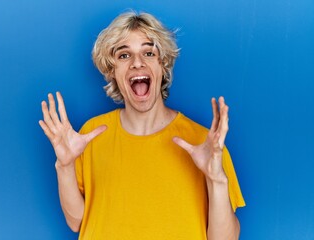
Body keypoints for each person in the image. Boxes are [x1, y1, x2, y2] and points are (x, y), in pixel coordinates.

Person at [39, 11, 245, 240]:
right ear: (112, 70)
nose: (137, 63)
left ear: (163, 65)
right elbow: (76, 222)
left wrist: (216, 179)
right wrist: (64, 166)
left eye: (149, 52)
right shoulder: (90, 135)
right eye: (124, 55)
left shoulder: (205, 144)